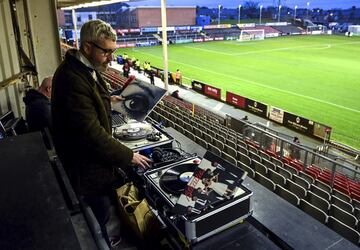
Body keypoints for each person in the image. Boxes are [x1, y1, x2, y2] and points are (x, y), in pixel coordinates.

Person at [51, 19, 151, 248]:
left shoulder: (82, 68)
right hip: (87, 171)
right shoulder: (71, 79)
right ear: (87, 47)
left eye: (113, 51)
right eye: (106, 52)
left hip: (93, 165)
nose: (111, 58)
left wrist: (108, 99)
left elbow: (90, 99)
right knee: (104, 219)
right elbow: (90, 133)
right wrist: (129, 156)